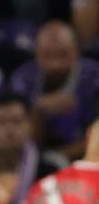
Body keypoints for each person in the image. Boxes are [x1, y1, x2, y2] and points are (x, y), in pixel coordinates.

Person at [8, 21, 99, 158]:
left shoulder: (94, 76)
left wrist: (58, 156)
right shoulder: (22, 79)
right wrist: (37, 109)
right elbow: (19, 134)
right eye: (47, 55)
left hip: (87, 153)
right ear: (36, 53)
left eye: (63, 54)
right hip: (33, 155)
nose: (55, 64)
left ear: (77, 51)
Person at [0, 92, 67, 204]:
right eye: (1, 122)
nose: (9, 130)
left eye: (17, 121)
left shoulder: (52, 164)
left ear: (30, 124)